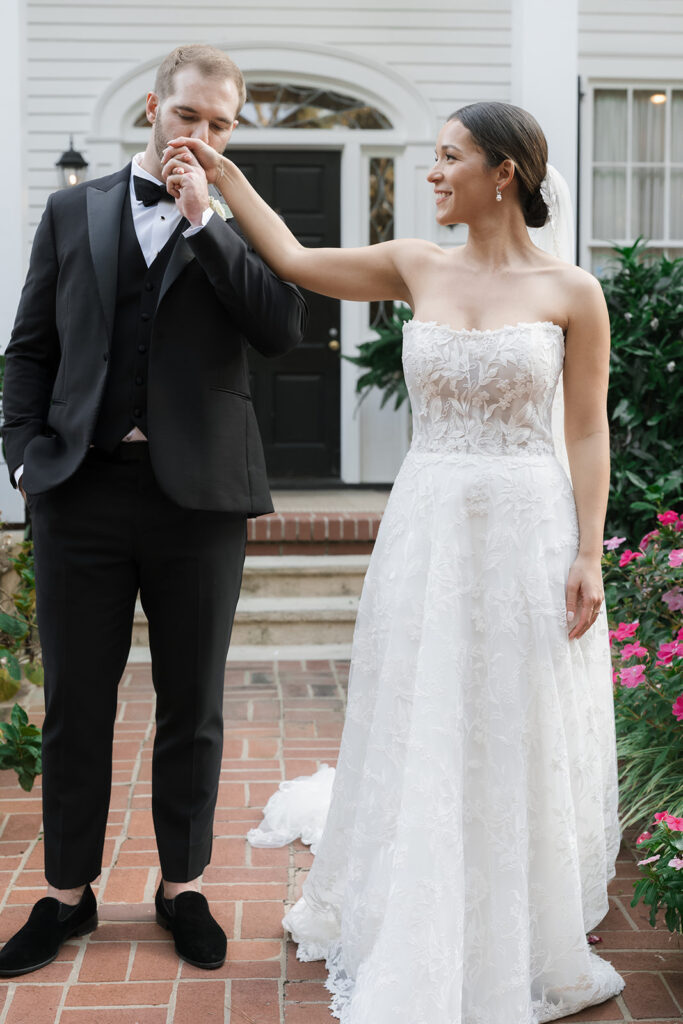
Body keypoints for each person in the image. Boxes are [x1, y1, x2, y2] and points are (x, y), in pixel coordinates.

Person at [162, 101, 624, 1021]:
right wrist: (225, 177)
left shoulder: (573, 291)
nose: (432, 172)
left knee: (514, 713)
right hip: (428, 528)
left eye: (449, 157)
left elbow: (583, 431)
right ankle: (416, 887)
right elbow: (292, 261)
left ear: (504, 174)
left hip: (527, 526)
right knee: (427, 702)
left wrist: (588, 552)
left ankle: (516, 911)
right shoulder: (416, 264)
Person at [0, 44, 307, 977]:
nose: (203, 136)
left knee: (193, 703)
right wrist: (22, 457)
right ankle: (66, 895)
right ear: (152, 108)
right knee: (76, 706)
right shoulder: (70, 209)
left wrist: (206, 218)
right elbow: (30, 348)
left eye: (221, 124)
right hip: (79, 493)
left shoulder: (241, 215)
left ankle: (181, 886)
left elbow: (280, 329)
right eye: (189, 118)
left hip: (200, 500)